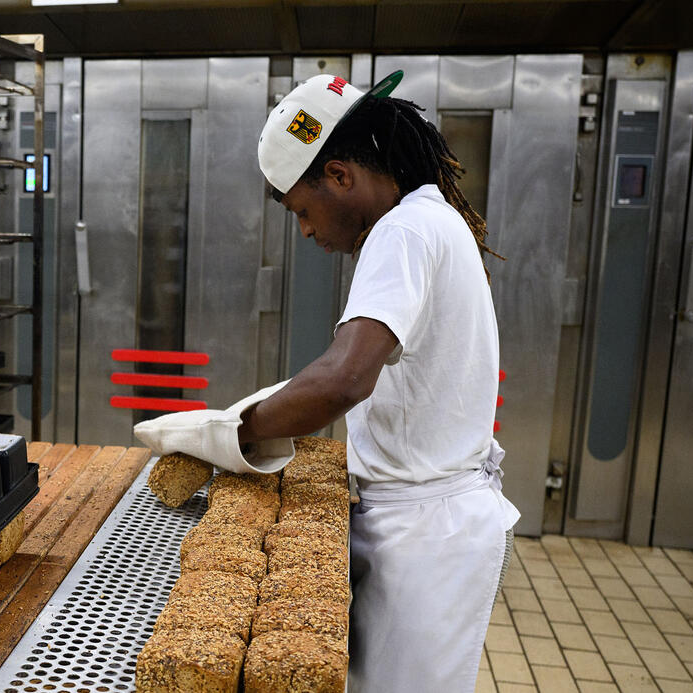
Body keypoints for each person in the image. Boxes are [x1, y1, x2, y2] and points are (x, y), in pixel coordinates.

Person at [133, 71, 519, 692]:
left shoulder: (403, 231)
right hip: (427, 515)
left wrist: (229, 434)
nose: (308, 232)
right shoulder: (428, 219)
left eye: (302, 212)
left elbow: (343, 379)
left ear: (339, 175)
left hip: (427, 534)